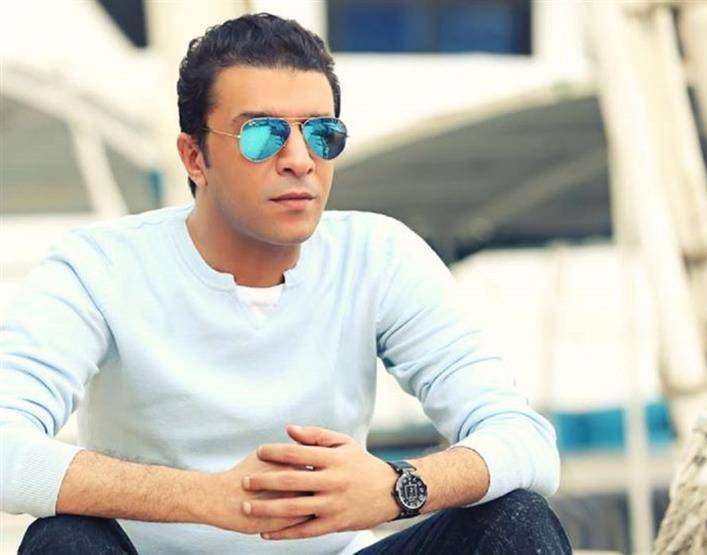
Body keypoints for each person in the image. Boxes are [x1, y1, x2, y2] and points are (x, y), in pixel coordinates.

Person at [1, 13, 571, 554]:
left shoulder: (378, 255)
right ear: (194, 157)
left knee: (515, 517)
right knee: (64, 539)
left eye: (322, 134)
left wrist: (398, 487)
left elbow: (523, 438)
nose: (299, 159)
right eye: (263, 134)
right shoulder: (100, 267)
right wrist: (210, 497)